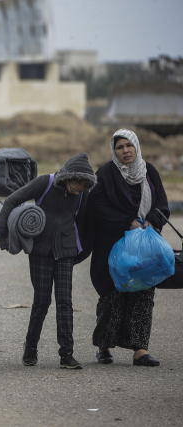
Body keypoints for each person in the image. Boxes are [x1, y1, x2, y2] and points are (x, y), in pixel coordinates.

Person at [0, 153, 97, 369]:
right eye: (76, 186)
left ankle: (67, 355)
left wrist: (80, 251)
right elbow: (13, 200)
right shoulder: (45, 182)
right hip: (40, 251)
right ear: (67, 177)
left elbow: (84, 222)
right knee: (42, 302)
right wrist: (3, 232)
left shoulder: (83, 192)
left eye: (82, 188)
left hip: (66, 252)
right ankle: (30, 349)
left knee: (65, 303)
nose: (78, 191)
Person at [89, 129, 170, 367]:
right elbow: (97, 206)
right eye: (119, 147)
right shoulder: (105, 173)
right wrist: (127, 222)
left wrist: (152, 220)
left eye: (128, 146)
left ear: (136, 146)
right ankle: (104, 347)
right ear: (114, 151)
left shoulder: (149, 172)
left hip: (143, 247)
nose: (125, 150)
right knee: (111, 294)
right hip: (112, 246)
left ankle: (140, 350)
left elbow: (162, 204)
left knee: (143, 294)